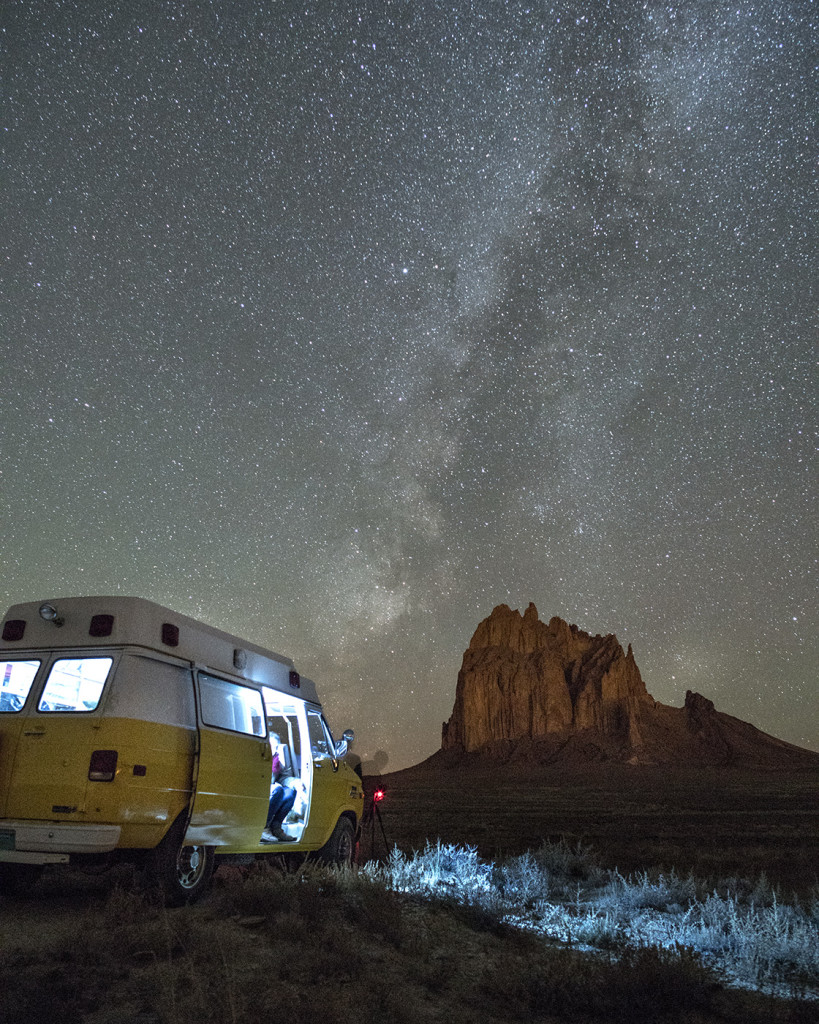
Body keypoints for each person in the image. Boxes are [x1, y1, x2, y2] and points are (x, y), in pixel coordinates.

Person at [261, 734, 297, 843]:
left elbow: (284, 777)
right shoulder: (261, 757)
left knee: (290, 792)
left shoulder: (278, 758)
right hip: (261, 786)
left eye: (276, 747)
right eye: (271, 746)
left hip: (273, 786)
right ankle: (263, 827)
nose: (274, 749)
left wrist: (294, 782)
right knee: (278, 790)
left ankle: (276, 827)